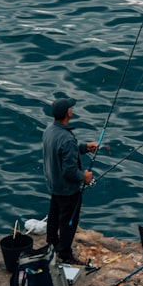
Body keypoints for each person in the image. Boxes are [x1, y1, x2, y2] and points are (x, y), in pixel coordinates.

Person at [41, 96, 98, 264]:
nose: (72, 110)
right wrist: (85, 177)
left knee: (54, 214)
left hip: (54, 184)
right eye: (70, 108)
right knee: (68, 223)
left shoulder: (49, 130)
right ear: (68, 113)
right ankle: (64, 254)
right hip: (68, 189)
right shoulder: (66, 138)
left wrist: (83, 147)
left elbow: (60, 153)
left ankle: (52, 243)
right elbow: (70, 172)